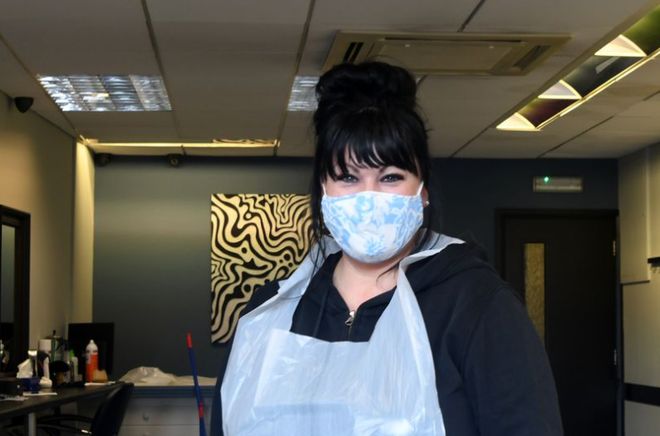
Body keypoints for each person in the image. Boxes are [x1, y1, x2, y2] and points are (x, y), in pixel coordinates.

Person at [211, 61, 562, 435]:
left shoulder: (476, 306)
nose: (369, 197)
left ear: (422, 191)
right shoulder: (271, 312)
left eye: (391, 177)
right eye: (348, 177)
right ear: (323, 191)